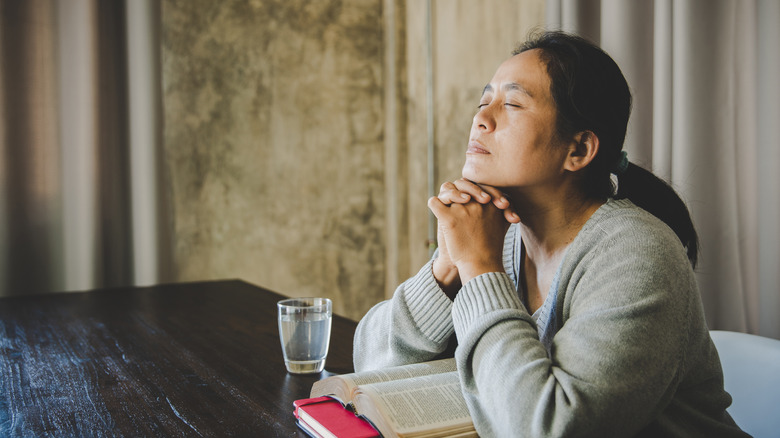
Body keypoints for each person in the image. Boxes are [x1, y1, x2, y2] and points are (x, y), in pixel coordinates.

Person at [353, 31, 748, 437]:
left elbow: (552, 428)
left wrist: (479, 269)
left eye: (512, 104)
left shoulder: (638, 255)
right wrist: (446, 268)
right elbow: (368, 361)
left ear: (578, 150)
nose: (481, 118)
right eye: (483, 101)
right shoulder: (499, 234)